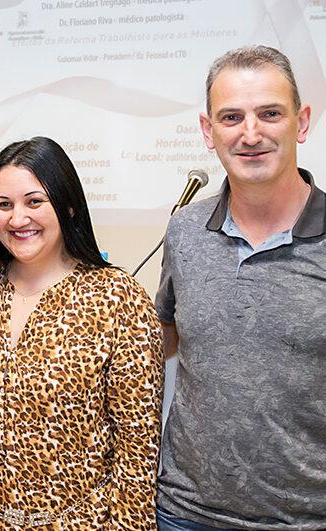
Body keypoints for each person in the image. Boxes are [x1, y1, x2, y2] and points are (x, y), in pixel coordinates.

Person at [0, 137, 164, 529]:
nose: (17, 218)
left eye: (34, 202)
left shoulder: (119, 300)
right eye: (4, 205)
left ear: (68, 205)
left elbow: (137, 449)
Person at [155, 46, 326, 530]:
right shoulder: (184, 230)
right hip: (185, 514)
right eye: (231, 117)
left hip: (307, 519)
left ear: (302, 121)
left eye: (270, 113)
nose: (250, 134)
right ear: (209, 132)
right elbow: (163, 335)